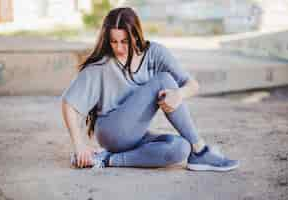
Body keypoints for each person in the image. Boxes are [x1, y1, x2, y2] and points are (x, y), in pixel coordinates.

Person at [61, 7, 239, 171]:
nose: (119, 48)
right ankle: (201, 151)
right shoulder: (101, 66)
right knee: (164, 81)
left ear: (136, 36)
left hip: (135, 134)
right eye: (113, 41)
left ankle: (107, 159)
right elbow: (68, 103)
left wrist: (179, 94)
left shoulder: (155, 53)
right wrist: (79, 145)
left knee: (180, 148)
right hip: (111, 132)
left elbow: (192, 84)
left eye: (124, 41)